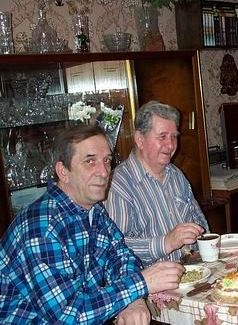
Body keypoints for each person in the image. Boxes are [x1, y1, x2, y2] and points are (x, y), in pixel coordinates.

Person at [0, 125, 185, 324]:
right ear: (63, 172)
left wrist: (134, 302)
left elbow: (121, 257)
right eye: (90, 161)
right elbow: (68, 316)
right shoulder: (41, 226)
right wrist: (141, 284)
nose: (104, 172)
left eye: (107, 160)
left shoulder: (94, 210)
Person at [106, 101, 208, 266]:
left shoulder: (176, 175)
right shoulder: (119, 185)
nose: (170, 145)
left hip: (193, 270)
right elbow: (115, 249)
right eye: (162, 136)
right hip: (151, 283)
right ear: (140, 139)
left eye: (174, 136)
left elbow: (200, 222)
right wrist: (166, 242)